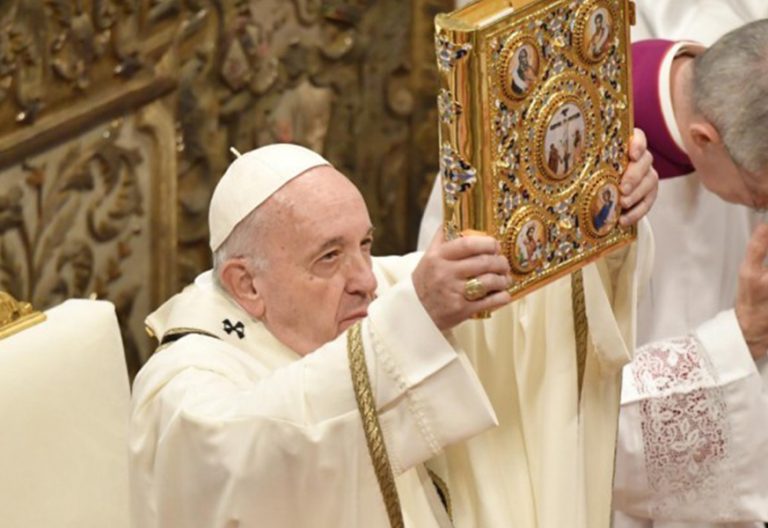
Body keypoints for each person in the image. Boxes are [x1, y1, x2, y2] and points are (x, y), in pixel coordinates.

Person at [131, 134, 657, 526]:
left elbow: (524, 317)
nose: (365, 279)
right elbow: (252, 460)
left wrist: (601, 210)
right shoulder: (183, 382)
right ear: (246, 284)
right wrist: (414, 324)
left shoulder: (379, 290)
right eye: (329, 256)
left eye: (365, 243)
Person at [612, 21, 768, 528]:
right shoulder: (565, 143)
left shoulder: (740, 89)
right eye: (760, 198)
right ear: (704, 139)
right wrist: (741, 337)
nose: (760, 210)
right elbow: (560, 410)